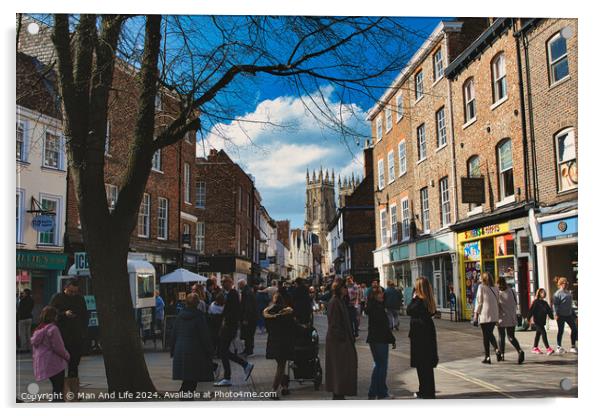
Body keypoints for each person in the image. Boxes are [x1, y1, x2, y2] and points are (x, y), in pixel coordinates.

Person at [50, 279, 88, 397]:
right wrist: (63, 314)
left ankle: (74, 392)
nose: (72, 294)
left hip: (76, 336)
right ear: (65, 288)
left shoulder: (80, 299)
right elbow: (50, 314)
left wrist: (83, 331)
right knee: (59, 366)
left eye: (74, 292)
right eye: (70, 291)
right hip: (61, 336)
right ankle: (59, 392)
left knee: (74, 365)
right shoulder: (57, 298)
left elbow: (85, 315)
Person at [170, 293, 214, 397]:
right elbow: (204, 336)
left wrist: (173, 350)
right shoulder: (199, 317)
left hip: (180, 349)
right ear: (197, 303)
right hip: (195, 351)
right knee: (192, 379)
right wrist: (209, 350)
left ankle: (184, 397)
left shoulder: (179, 316)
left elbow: (174, 334)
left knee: (187, 379)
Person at [213, 276, 254, 387]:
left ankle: (229, 377)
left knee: (223, 351)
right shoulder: (231, 293)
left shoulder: (232, 294)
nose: (222, 284)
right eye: (221, 282)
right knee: (224, 351)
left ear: (230, 282)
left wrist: (221, 319)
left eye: (224, 282)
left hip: (229, 327)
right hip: (229, 326)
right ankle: (244, 366)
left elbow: (231, 312)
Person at [325, 277, 358, 400]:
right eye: (345, 287)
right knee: (339, 371)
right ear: (339, 288)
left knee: (342, 372)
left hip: (341, 343)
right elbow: (334, 325)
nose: (347, 290)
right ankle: (338, 396)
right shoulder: (335, 302)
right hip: (338, 345)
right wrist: (343, 339)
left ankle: (339, 394)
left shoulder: (340, 301)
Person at [407, 277, 438, 399]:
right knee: (427, 365)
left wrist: (414, 297)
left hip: (420, 335)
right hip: (427, 333)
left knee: (422, 365)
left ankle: (425, 391)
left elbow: (409, 310)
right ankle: (428, 390)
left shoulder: (419, 301)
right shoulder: (428, 299)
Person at [31, 306, 70, 402]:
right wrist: (67, 356)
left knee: (55, 388)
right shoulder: (53, 329)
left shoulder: (39, 330)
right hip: (55, 363)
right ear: (54, 316)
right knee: (58, 388)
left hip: (44, 363)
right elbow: (59, 347)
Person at [365, 285, 395, 399]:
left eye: (382, 293)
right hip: (380, 340)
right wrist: (392, 339)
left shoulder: (374, 306)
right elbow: (383, 326)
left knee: (378, 365)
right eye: (380, 293)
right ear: (374, 296)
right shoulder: (378, 308)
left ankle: (373, 392)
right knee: (382, 366)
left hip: (374, 339)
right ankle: (382, 393)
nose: (382, 295)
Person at [263, 292, 295, 399]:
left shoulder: (268, 312)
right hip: (284, 342)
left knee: (280, 365)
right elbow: (293, 326)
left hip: (273, 341)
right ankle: (273, 390)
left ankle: (284, 387)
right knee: (281, 366)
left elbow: (267, 327)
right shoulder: (287, 311)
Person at [474, 272, 502, 364]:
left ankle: (487, 357)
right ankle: (497, 349)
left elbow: (479, 302)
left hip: (485, 314)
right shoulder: (496, 288)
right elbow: (498, 301)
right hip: (494, 315)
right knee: (490, 334)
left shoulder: (481, 287)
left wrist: (475, 315)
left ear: (484, 279)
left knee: (486, 336)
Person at [496, 276, 524, 364]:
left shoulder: (498, 293)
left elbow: (496, 306)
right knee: (511, 336)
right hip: (512, 317)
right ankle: (519, 350)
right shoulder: (512, 291)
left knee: (501, 336)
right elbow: (515, 302)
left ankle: (502, 355)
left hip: (501, 317)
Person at [553, 277, 578, 354]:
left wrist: (575, 315)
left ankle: (573, 346)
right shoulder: (557, 294)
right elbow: (555, 305)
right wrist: (556, 314)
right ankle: (559, 346)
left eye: (566, 283)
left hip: (569, 314)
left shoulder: (569, 293)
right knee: (561, 330)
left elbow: (570, 305)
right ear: (560, 284)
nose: (565, 284)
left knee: (574, 329)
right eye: (564, 283)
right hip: (561, 315)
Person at [527, 288, 554, 355]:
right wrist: (528, 318)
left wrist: (552, 317)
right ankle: (548, 348)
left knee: (538, 334)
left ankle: (535, 347)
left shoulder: (545, 303)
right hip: (537, 321)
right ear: (539, 293)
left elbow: (549, 311)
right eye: (542, 292)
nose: (543, 293)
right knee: (543, 333)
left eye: (544, 292)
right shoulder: (536, 302)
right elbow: (531, 310)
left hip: (542, 321)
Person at [238, 279, 258, 356]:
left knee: (248, 334)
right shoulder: (248, 291)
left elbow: (248, 307)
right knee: (248, 335)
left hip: (250, 318)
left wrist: (246, 318)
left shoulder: (246, 292)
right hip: (252, 317)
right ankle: (247, 350)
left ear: (242, 284)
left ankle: (249, 351)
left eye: (239, 285)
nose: (238, 286)